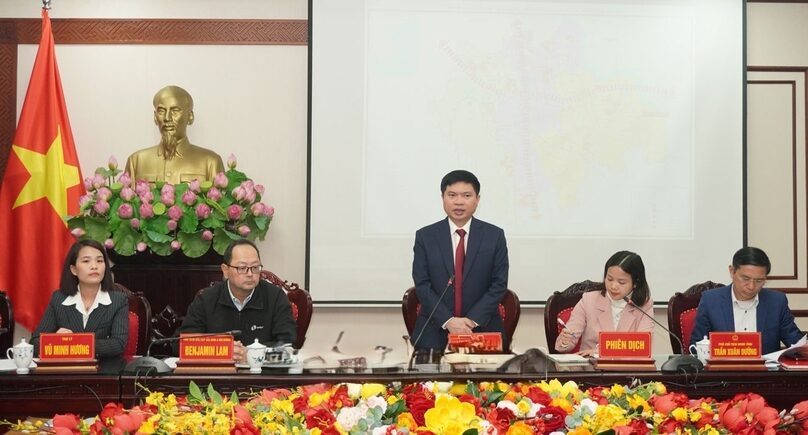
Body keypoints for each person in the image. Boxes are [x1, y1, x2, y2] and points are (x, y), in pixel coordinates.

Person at [411, 170, 509, 352]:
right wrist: (449, 322)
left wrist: (470, 322)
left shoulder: (494, 236)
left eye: (466, 195)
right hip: (434, 332)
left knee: (488, 382)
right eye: (452, 195)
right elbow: (422, 285)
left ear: (477, 199)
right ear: (442, 198)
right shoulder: (426, 236)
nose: (459, 201)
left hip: (482, 331)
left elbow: (499, 284)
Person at [176, 239, 297, 362]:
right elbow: (182, 344)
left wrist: (251, 355)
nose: (250, 274)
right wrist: (222, 350)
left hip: (262, 377)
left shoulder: (275, 297)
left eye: (255, 267)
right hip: (219, 378)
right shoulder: (206, 299)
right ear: (225, 270)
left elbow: (287, 345)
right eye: (242, 268)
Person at [690, 247, 803, 355]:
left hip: (765, 374)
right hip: (723, 373)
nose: (751, 286)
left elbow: (796, 343)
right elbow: (696, 346)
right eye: (745, 279)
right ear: (732, 271)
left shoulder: (776, 302)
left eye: (759, 280)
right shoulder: (711, 301)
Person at [31, 240, 128, 358]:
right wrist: (55, 339)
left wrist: (72, 342)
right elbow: (35, 343)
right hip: (67, 371)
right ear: (74, 269)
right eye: (86, 261)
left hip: (103, 370)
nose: (94, 266)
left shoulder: (118, 300)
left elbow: (118, 344)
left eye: (100, 261)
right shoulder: (59, 298)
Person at [555, 251, 654, 356]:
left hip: (628, 370)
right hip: (592, 369)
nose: (613, 286)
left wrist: (599, 352)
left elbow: (642, 346)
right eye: (609, 279)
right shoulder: (589, 300)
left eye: (621, 282)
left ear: (635, 283)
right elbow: (567, 341)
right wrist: (566, 341)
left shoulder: (644, 305)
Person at [124, 85, 224, 184]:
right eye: (161, 111)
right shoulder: (136, 161)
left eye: (175, 111)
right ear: (155, 117)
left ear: (190, 116)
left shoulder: (210, 162)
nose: (167, 118)